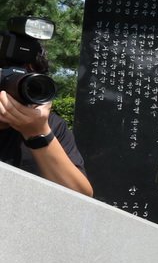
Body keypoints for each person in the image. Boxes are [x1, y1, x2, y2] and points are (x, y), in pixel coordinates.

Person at [0, 38, 92, 196]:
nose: (14, 87)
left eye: (25, 78)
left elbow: (82, 197)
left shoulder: (51, 125)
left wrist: (37, 133)